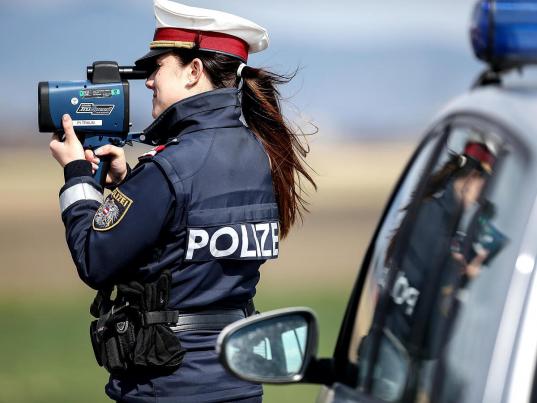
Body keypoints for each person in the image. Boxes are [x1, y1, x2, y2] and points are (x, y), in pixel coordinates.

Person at [48, 1, 316, 402]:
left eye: (157, 67)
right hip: (239, 382)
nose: (148, 82)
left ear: (194, 71)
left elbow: (94, 260)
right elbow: (190, 231)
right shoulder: (260, 154)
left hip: (168, 385)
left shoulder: (168, 168)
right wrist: (130, 184)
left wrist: (76, 176)